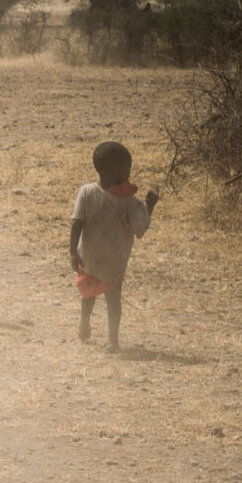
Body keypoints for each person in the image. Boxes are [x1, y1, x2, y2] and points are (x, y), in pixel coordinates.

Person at [70, 141, 159, 353]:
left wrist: (73, 251)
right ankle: (110, 339)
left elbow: (76, 222)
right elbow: (141, 226)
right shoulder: (128, 202)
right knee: (110, 299)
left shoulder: (88, 192)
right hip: (112, 260)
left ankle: (90, 326)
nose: (129, 174)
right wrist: (150, 206)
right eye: (126, 169)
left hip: (90, 256)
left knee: (89, 294)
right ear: (112, 170)